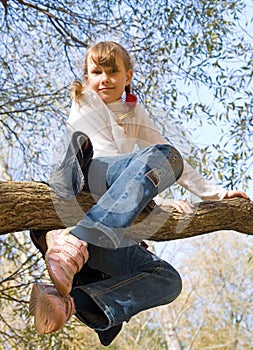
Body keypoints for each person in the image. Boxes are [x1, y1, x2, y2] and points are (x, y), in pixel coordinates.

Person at [29, 41, 249, 346]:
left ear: (128, 75)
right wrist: (148, 197)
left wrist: (217, 194)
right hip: (83, 178)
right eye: (96, 72)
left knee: (168, 279)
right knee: (81, 145)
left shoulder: (135, 111)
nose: (104, 78)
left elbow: (170, 159)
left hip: (105, 231)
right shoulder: (84, 100)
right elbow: (99, 155)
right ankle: (70, 239)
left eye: (112, 71)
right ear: (86, 76)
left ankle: (67, 302)